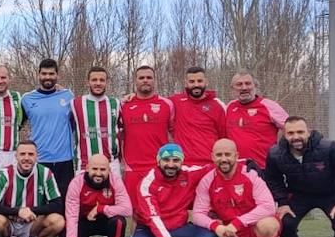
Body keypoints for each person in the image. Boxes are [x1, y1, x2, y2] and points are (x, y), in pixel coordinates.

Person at [192, 138, 281, 237]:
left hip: (255, 227)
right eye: (219, 155)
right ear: (212, 157)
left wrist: (238, 222)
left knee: (267, 226)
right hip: (234, 235)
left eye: (228, 154)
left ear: (236, 156)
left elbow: (268, 207)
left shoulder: (250, 174)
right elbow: (197, 214)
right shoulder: (207, 181)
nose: (224, 159)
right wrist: (217, 227)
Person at [130, 143, 218, 237]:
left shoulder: (189, 174)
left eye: (176, 160)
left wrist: (245, 163)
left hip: (178, 228)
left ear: (181, 161)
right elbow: (153, 218)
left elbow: (215, 167)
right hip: (151, 231)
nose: (171, 165)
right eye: (166, 160)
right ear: (158, 161)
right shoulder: (147, 183)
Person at [62, 154, 133, 237]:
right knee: (62, 226)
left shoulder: (115, 181)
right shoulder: (76, 183)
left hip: (106, 222)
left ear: (109, 170)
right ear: (87, 168)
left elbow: (127, 210)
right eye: (95, 169)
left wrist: (101, 209)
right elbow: (72, 216)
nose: (98, 173)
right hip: (83, 221)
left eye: (103, 169)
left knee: (119, 222)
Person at [118, 65, 175, 197]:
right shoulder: (123, 105)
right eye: (141, 78)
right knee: (135, 212)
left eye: (149, 77)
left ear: (154, 80)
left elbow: (174, 132)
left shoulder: (167, 104)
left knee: (159, 208)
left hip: (159, 166)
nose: (145, 80)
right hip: (132, 168)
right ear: (135, 81)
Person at [21, 58, 75, 193]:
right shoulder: (27, 99)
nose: (47, 77)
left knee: (63, 203)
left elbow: (75, 124)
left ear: (57, 75)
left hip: (64, 160)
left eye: (51, 74)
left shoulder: (68, 96)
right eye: (44, 74)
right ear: (38, 75)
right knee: (40, 203)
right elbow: (17, 125)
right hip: (39, 159)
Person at [225, 72, 287, 171]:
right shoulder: (229, 107)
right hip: (235, 171)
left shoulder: (269, 106)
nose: (244, 87)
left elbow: (292, 128)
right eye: (239, 84)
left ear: (255, 85)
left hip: (264, 169)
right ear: (233, 89)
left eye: (248, 83)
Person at [170, 66, 226, 169]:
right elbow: (156, 103)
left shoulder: (217, 106)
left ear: (206, 82)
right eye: (192, 81)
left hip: (210, 165)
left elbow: (224, 137)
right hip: (184, 166)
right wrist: (133, 96)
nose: (196, 85)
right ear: (186, 83)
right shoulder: (175, 102)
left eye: (200, 81)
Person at [71, 66, 120, 171]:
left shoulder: (116, 103)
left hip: (111, 164)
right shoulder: (75, 103)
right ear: (88, 82)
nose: (98, 83)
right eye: (94, 80)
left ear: (107, 82)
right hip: (85, 164)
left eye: (102, 80)